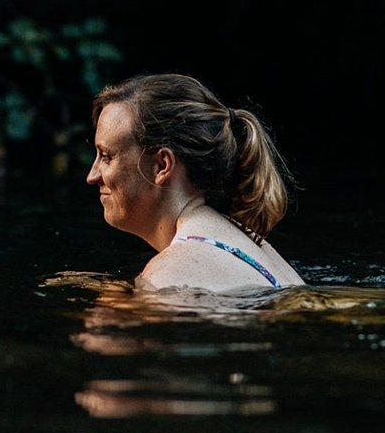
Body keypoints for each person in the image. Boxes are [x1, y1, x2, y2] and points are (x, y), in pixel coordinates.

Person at [86, 73, 304, 292]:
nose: (92, 176)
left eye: (106, 156)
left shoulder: (169, 276)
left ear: (162, 165)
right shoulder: (250, 244)